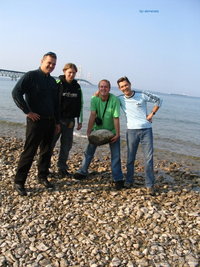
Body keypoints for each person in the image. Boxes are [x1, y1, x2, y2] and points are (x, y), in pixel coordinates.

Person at [12, 52, 60, 196]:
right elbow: (16, 93)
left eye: (53, 64)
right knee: (29, 151)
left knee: (46, 151)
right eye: (49, 63)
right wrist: (27, 111)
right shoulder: (31, 76)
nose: (51, 66)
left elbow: (56, 104)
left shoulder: (53, 82)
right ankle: (19, 182)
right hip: (36, 121)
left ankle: (42, 176)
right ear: (42, 61)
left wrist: (57, 122)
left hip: (50, 122)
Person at [74, 79, 124, 190]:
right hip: (97, 130)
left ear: (109, 89)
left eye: (106, 87)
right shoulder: (94, 99)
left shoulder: (114, 100)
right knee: (89, 152)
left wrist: (118, 134)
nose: (103, 88)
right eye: (101, 86)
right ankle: (82, 171)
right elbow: (92, 115)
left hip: (112, 131)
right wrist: (88, 131)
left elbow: (116, 118)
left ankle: (118, 178)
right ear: (98, 88)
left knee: (116, 155)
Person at [117, 76, 162, 195]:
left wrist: (152, 114)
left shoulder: (142, 94)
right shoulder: (120, 99)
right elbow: (106, 99)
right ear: (119, 88)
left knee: (149, 158)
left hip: (146, 130)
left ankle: (149, 184)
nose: (124, 88)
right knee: (130, 158)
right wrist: (96, 95)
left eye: (126, 85)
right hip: (131, 131)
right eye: (122, 86)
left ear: (130, 84)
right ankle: (129, 180)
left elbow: (159, 100)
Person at [52, 63, 83, 176]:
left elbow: (80, 103)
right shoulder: (57, 83)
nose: (71, 74)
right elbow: (51, 102)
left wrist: (80, 120)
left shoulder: (77, 87)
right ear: (64, 71)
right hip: (56, 120)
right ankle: (44, 167)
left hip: (70, 121)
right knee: (50, 144)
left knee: (66, 145)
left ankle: (62, 168)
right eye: (69, 72)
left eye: (73, 73)